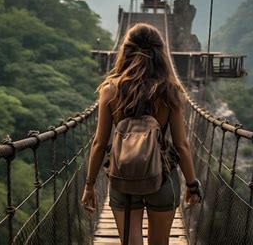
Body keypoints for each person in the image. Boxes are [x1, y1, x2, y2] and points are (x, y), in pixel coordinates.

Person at [81, 23, 200, 245]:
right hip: (162, 177)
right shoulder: (170, 91)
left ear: (125, 50)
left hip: (123, 177)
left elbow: (99, 143)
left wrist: (89, 185)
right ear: (160, 53)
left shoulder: (110, 90)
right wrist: (192, 185)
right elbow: (182, 145)